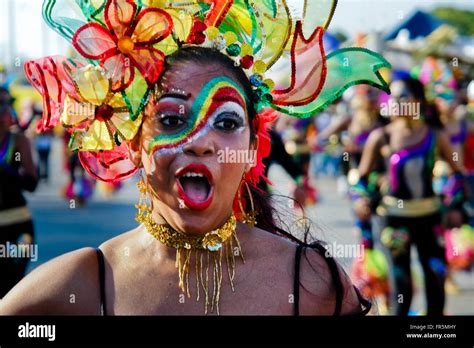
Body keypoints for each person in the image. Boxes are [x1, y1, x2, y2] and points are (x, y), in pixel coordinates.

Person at [0, 0, 390, 315]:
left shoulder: (311, 285)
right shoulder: (80, 287)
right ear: (132, 141)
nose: (200, 142)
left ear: (253, 147)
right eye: (171, 119)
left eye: (225, 121)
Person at [353, 77, 466, 315]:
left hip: (430, 218)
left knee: (436, 279)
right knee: (400, 287)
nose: (395, 101)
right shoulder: (381, 137)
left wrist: (454, 206)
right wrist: (362, 199)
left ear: (418, 100)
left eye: (402, 96)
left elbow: (458, 175)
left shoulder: (436, 136)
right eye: (392, 96)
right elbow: (360, 179)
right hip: (394, 221)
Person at [0, 88, 38, 297]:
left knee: (12, 287)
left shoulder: (18, 141)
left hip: (17, 227)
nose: (2, 110)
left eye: (5, 104)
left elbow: (32, 184)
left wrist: (8, 171)